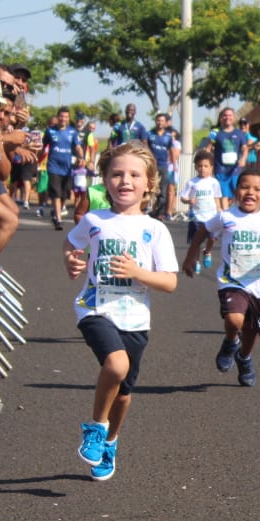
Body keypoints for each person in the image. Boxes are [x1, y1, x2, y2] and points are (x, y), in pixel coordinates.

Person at [64, 141, 179, 481]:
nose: (124, 181)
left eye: (133, 175)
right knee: (116, 364)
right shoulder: (94, 219)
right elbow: (72, 242)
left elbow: (169, 282)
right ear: (105, 180)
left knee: (124, 394)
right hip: (95, 308)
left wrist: (138, 274)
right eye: (116, 174)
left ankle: (110, 441)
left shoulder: (155, 229)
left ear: (149, 184)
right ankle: (96, 428)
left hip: (135, 317)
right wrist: (71, 260)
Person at [183, 166, 260, 387]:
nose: (250, 192)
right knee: (234, 319)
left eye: (257, 189)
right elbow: (203, 231)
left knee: (252, 331)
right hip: (232, 280)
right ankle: (231, 341)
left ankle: (244, 358)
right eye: (245, 187)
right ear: (236, 192)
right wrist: (191, 256)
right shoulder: (226, 216)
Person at [178, 149, 223, 272]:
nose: (203, 168)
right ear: (196, 167)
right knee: (196, 241)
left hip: (211, 216)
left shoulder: (214, 182)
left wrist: (220, 210)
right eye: (200, 166)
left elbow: (217, 197)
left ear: (211, 167)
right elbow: (183, 197)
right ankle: (196, 260)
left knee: (212, 238)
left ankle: (207, 251)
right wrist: (188, 201)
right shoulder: (192, 183)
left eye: (206, 166)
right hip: (197, 216)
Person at [204, 107, 253, 210]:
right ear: (221, 118)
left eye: (230, 115)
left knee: (238, 192)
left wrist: (243, 158)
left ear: (234, 118)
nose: (227, 118)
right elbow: (207, 149)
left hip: (235, 169)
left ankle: (240, 213)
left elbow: (245, 148)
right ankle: (225, 217)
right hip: (220, 169)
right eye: (225, 115)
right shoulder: (215, 133)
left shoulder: (239, 133)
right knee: (223, 194)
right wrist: (207, 165)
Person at [42, 106, 82, 230]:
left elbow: (78, 147)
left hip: (67, 168)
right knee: (56, 193)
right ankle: (59, 219)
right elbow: (43, 146)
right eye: (61, 116)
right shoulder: (50, 131)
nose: (63, 119)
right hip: (53, 166)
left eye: (65, 117)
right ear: (58, 117)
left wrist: (82, 157)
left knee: (65, 194)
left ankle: (56, 212)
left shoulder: (72, 132)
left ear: (68, 118)